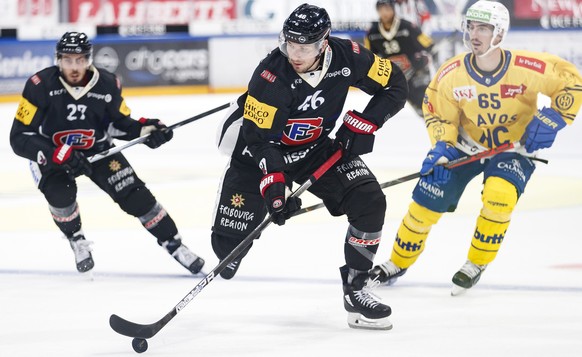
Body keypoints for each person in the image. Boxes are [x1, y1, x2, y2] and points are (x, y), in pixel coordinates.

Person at [212, 3, 407, 329]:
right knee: (227, 252)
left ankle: (356, 290)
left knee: (369, 200)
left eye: (305, 46)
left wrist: (364, 124)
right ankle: (245, 201)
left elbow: (396, 84)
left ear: (324, 42)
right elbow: (260, 142)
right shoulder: (269, 76)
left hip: (315, 148)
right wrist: (275, 188)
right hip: (258, 154)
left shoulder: (349, 56)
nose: (296, 53)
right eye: (290, 44)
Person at [369, 0, 582, 295]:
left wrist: (554, 117)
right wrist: (441, 148)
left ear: (500, 32)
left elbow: (571, 82)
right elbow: (438, 111)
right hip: (465, 146)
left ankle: (476, 263)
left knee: (499, 196)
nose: (475, 35)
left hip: (514, 148)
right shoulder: (452, 73)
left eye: (484, 27)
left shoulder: (527, 67)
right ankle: (397, 262)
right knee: (424, 203)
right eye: (471, 27)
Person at [10, 32, 205, 275]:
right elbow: (18, 137)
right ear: (58, 59)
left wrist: (147, 130)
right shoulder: (40, 85)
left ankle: (175, 245)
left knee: (137, 197)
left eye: (80, 60)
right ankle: (76, 238)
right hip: (55, 155)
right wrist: (54, 153)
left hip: (98, 151)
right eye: (68, 60)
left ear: (89, 59)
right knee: (61, 197)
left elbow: (119, 124)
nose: (74, 67)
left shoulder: (108, 84)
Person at [364, 0, 434, 117]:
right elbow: (370, 57)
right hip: (397, 77)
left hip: (417, 74)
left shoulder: (407, 26)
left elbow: (428, 46)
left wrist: (422, 59)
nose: (384, 13)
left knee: (429, 105)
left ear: (393, 9)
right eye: (381, 9)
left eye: (387, 9)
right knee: (419, 110)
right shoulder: (372, 32)